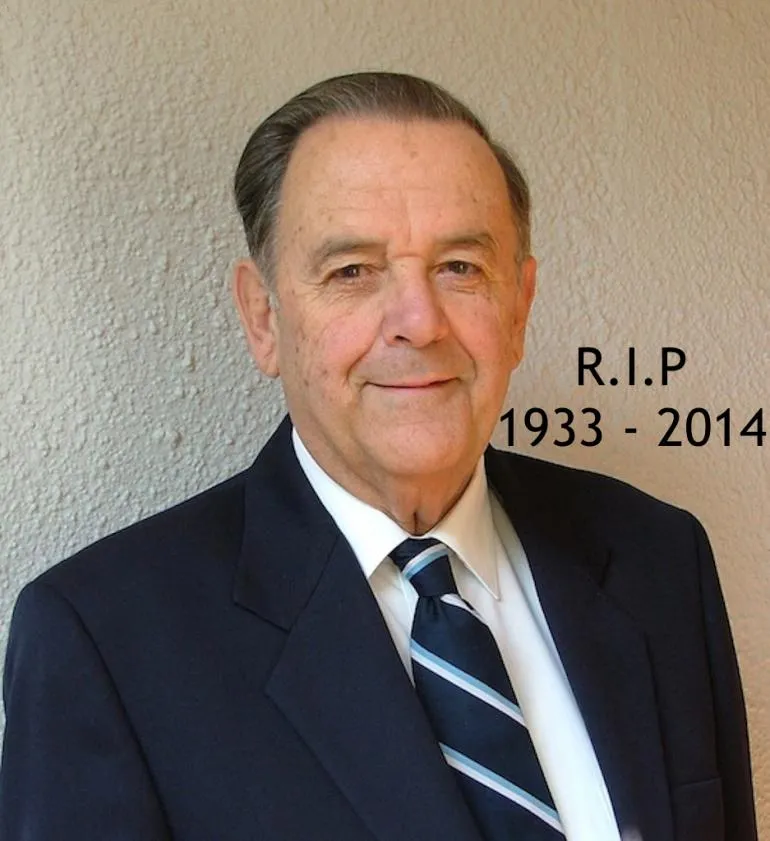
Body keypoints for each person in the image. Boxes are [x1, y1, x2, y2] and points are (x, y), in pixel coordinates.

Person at [0, 72, 757, 841]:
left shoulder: (659, 560)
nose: (419, 322)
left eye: (460, 266)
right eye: (352, 272)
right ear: (263, 319)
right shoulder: (104, 641)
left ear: (519, 307)